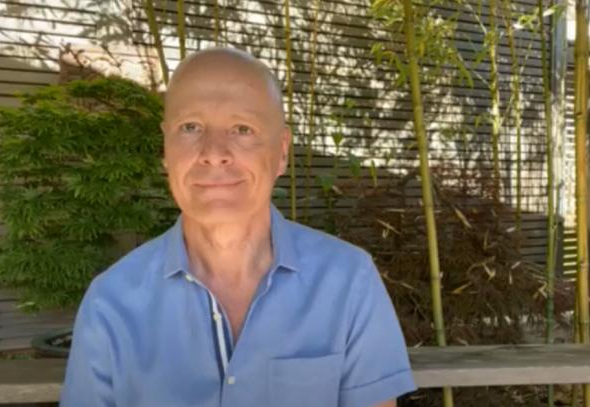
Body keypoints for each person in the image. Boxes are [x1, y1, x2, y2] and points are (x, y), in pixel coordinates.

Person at [60, 48, 416, 407]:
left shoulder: (348, 280)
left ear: (281, 152)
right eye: (191, 127)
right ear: (166, 150)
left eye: (242, 129)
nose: (214, 152)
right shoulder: (111, 301)